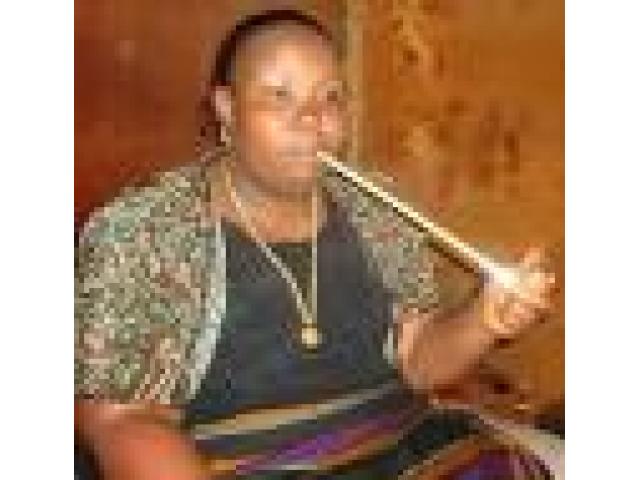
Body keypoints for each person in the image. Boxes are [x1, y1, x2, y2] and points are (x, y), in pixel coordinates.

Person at [75, 9, 555, 479]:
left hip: (398, 444)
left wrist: (482, 320)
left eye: (330, 97)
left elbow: (417, 360)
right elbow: (123, 421)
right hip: (243, 463)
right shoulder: (146, 228)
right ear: (227, 109)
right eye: (279, 95)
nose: (311, 118)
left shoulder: (376, 210)